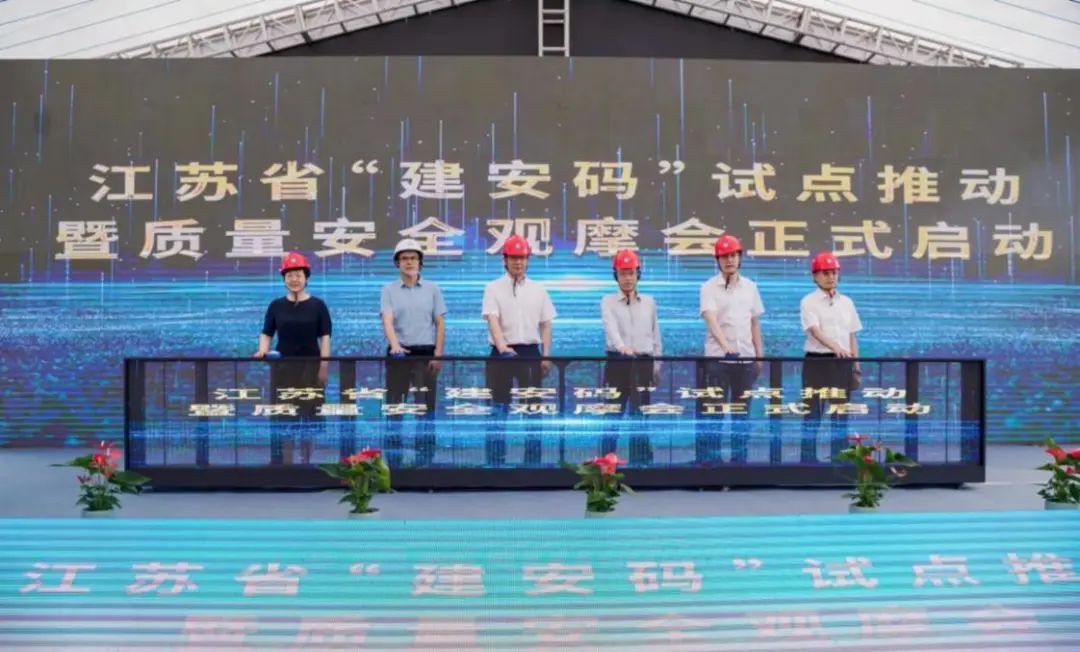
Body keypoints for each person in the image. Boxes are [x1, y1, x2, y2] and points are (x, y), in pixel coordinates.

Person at [481, 235, 556, 466]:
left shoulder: (538, 289)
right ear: (505, 260)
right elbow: (492, 319)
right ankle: (495, 461)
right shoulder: (493, 287)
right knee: (498, 408)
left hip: (530, 353)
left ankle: (532, 461)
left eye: (522, 258)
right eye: (513, 258)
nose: (518, 262)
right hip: (500, 354)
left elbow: (546, 324)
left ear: (528, 259)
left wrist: (546, 355)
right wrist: (502, 346)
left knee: (532, 409)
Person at [254, 251, 332, 465]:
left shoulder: (318, 305)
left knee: (309, 418)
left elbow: (325, 338)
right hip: (284, 371)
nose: (294, 279)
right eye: (289, 275)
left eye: (298, 275)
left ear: (306, 277)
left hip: (311, 370)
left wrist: (323, 367)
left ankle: (306, 464)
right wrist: (262, 350)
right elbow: (266, 333)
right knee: (285, 417)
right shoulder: (276, 305)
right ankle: (286, 465)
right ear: (284, 278)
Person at [697, 234, 764, 464]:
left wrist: (759, 356)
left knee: (741, 414)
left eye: (733, 255)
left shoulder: (750, 287)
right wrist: (726, 347)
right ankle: (712, 464)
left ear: (740, 257)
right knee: (714, 413)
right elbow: (711, 319)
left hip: (745, 360)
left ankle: (739, 462)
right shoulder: (708, 287)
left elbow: (754, 323)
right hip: (718, 360)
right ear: (717, 259)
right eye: (724, 256)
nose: (729, 260)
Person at [380, 238, 446, 467]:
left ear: (420, 262)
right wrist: (395, 345)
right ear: (397, 263)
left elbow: (440, 323)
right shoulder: (388, 290)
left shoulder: (432, 289)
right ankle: (393, 463)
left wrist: (438, 354)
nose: (409, 262)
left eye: (413, 258)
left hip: (425, 354)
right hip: (398, 355)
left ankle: (425, 461)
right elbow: (387, 320)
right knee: (394, 409)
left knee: (425, 410)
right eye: (404, 258)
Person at [600, 249, 661, 465]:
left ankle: (642, 462)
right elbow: (611, 329)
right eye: (623, 273)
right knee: (613, 415)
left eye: (631, 273)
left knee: (641, 416)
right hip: (618, 363)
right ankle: (606, 463)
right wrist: (622, 348)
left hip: (643, 364)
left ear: (638, 274)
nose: (627, 278)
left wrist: (657, 364)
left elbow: (655, 334)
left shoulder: (649, 302)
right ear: (616, 275)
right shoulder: (608, 301)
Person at [800, 251, 862, 462]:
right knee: (812, 414)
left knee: (840, 414)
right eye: (825, 273)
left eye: (834, 272)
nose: (831, 277)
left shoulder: (847, 302)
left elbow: (852, 335)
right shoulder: (808, 301)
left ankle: (840, 457)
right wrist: (837, 347)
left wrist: (856, 366)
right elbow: (815, 331)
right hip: (816, 362)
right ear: (815, 276)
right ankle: (808, 459)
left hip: (842, 364)